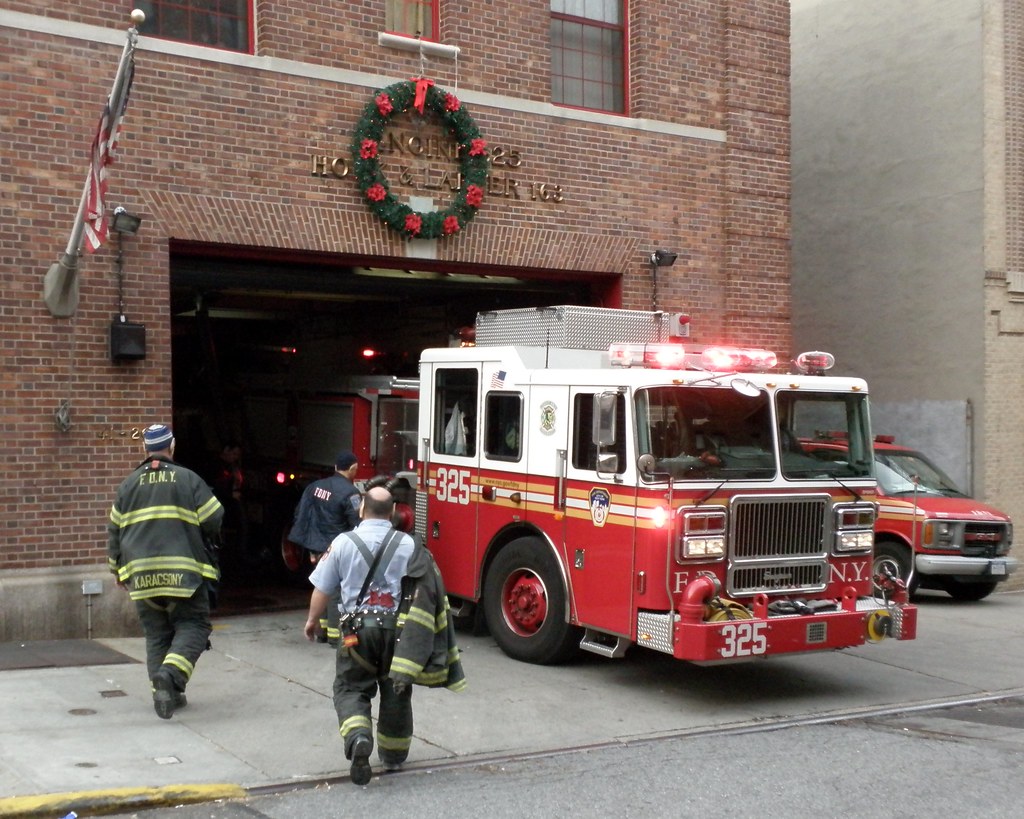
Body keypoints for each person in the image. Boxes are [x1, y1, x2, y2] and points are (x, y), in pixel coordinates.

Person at [304, 485, 466, 786]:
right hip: (399, 633)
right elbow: (431, 593)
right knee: (396, 691)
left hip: (356, 635)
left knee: (351, 688)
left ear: (361, 508)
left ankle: (358, 736)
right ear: (393, 513)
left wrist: (313, 621)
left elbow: (323, 589)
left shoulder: (342, 543)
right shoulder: (410, 546)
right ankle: (392, 757)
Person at [107, 424, 224, 720]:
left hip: (141, 577)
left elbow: (114, 531)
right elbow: (215, 517)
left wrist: (117, 570)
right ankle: (170, 676)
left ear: (143, 449)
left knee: (157, 635)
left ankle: (165, 694)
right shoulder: (188, 479)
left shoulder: (127, 485)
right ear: (172, 446)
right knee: (194, 626)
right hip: (184, 575)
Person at [288, 451, 361, 644]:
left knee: (322, 587)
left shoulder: (314, 486)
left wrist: (311, 547)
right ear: (353, 469)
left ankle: (322, 633)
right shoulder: (350, 493)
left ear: (336, 467)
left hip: (317, 547)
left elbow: (301, 514)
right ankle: (335, 638)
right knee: (337, 592)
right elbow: (356, 523)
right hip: (337, 548)